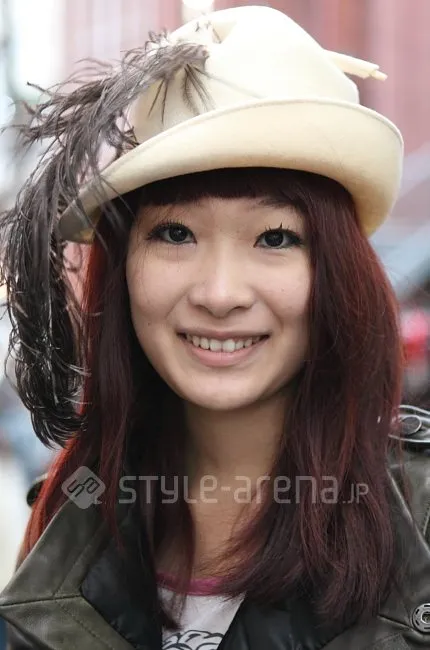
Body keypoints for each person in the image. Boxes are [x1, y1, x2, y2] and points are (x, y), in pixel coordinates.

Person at [0, 5, 429, 649]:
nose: (220, 294)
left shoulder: (421, 522)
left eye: (275, 237)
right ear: (124, 266)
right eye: (176, 233)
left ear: (337, 273)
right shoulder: (66, 520)